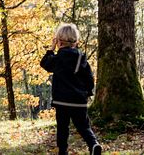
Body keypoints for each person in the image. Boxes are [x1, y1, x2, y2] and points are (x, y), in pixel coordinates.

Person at [40, 23, 102, 155]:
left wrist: (51, 49)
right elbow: (89, 80)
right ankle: (93, 144)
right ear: (76, 41)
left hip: (62, 101)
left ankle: (63, 151)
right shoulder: (81, 58)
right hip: (79, 100)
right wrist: (86, 92)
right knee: (84, 126)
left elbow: (45, 64)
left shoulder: (57, 58)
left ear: (59, 42)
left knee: (63, 128)